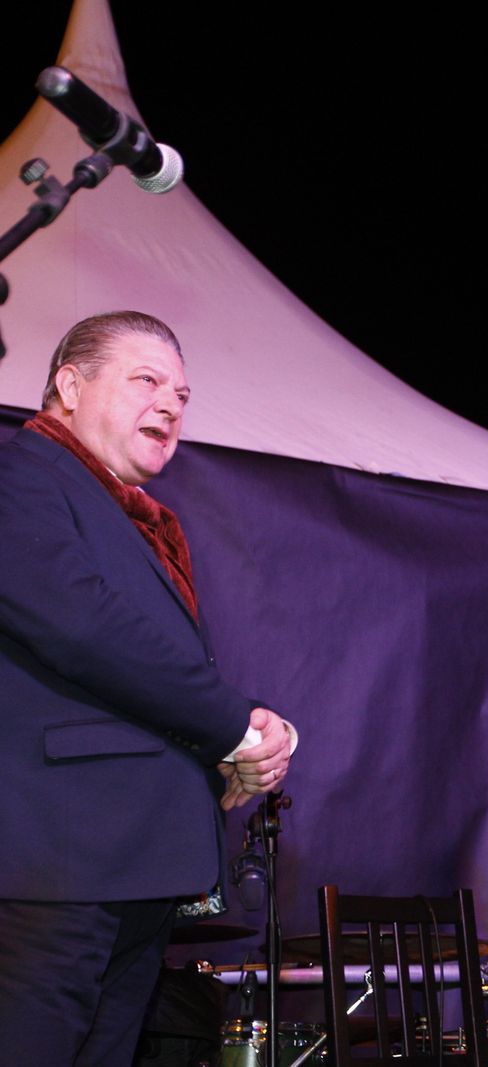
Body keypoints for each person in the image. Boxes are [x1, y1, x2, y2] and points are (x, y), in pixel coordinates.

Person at [0, 311, 296, 1066]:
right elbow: (82, 625)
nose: (171, 402)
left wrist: (232, 744)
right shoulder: (22, 471)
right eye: (147, 380)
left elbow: (147, 670)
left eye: (183, 393)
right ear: (70, 385)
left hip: (139, 866)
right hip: (61, 861)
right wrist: (233, 726)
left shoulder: (139, 520)